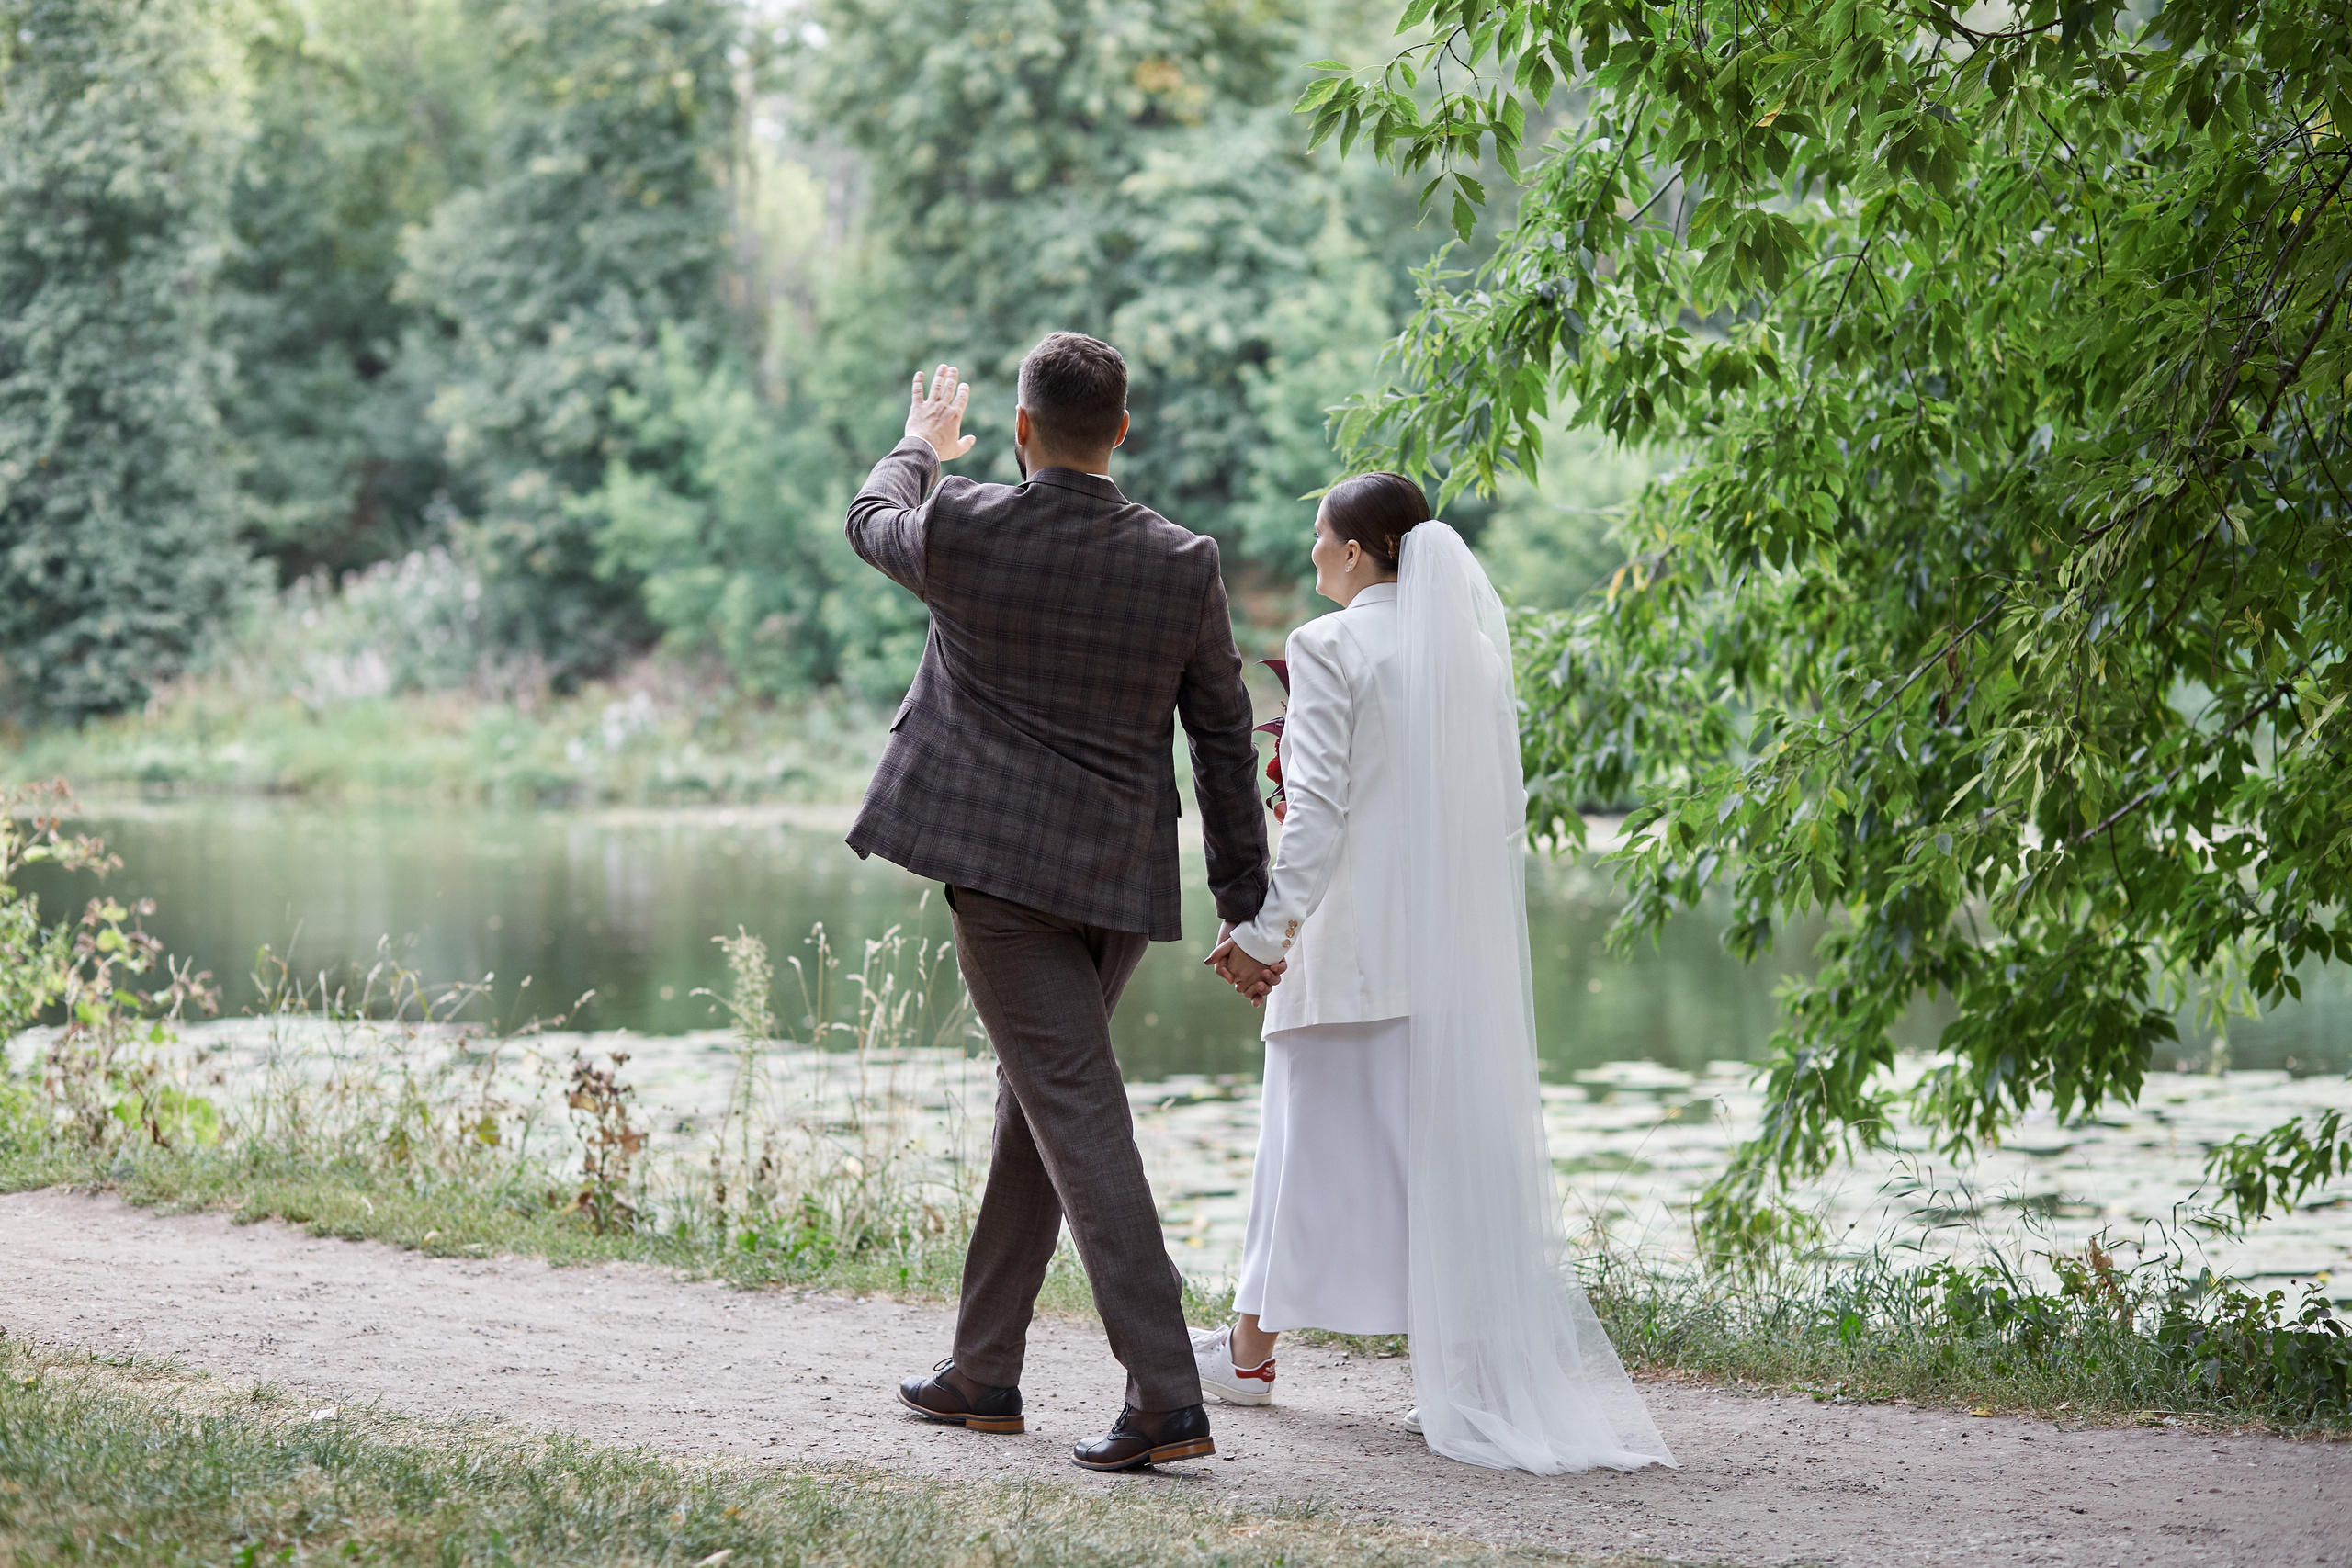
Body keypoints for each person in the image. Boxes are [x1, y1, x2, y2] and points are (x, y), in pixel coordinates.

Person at [847, 334, 1282, 1472]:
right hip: (1120, 887)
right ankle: (982, 1371)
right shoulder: (1183, 559)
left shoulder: (966, 523)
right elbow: (1225, 736)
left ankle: (1166, 1397)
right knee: (1038, 1104)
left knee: (1072, 1110)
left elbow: (868, 520)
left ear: (1027, 430)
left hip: (1004, 883)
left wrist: (921, 445)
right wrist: (1244, 895)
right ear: (1121, 433)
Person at [1198, 473, 1677, 1474]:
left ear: (1360, 552)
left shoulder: (1333, 647)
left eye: (1321, 538)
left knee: (1298, 1154)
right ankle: (1451, 1376)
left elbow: (1319, 813)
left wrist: (1264, 934)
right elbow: (1501, 809)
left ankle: (1250, 1353)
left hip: (1355, 952)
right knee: (1441, 1168)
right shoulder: (1469, 651)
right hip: (1446, 960)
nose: (1314, 554)